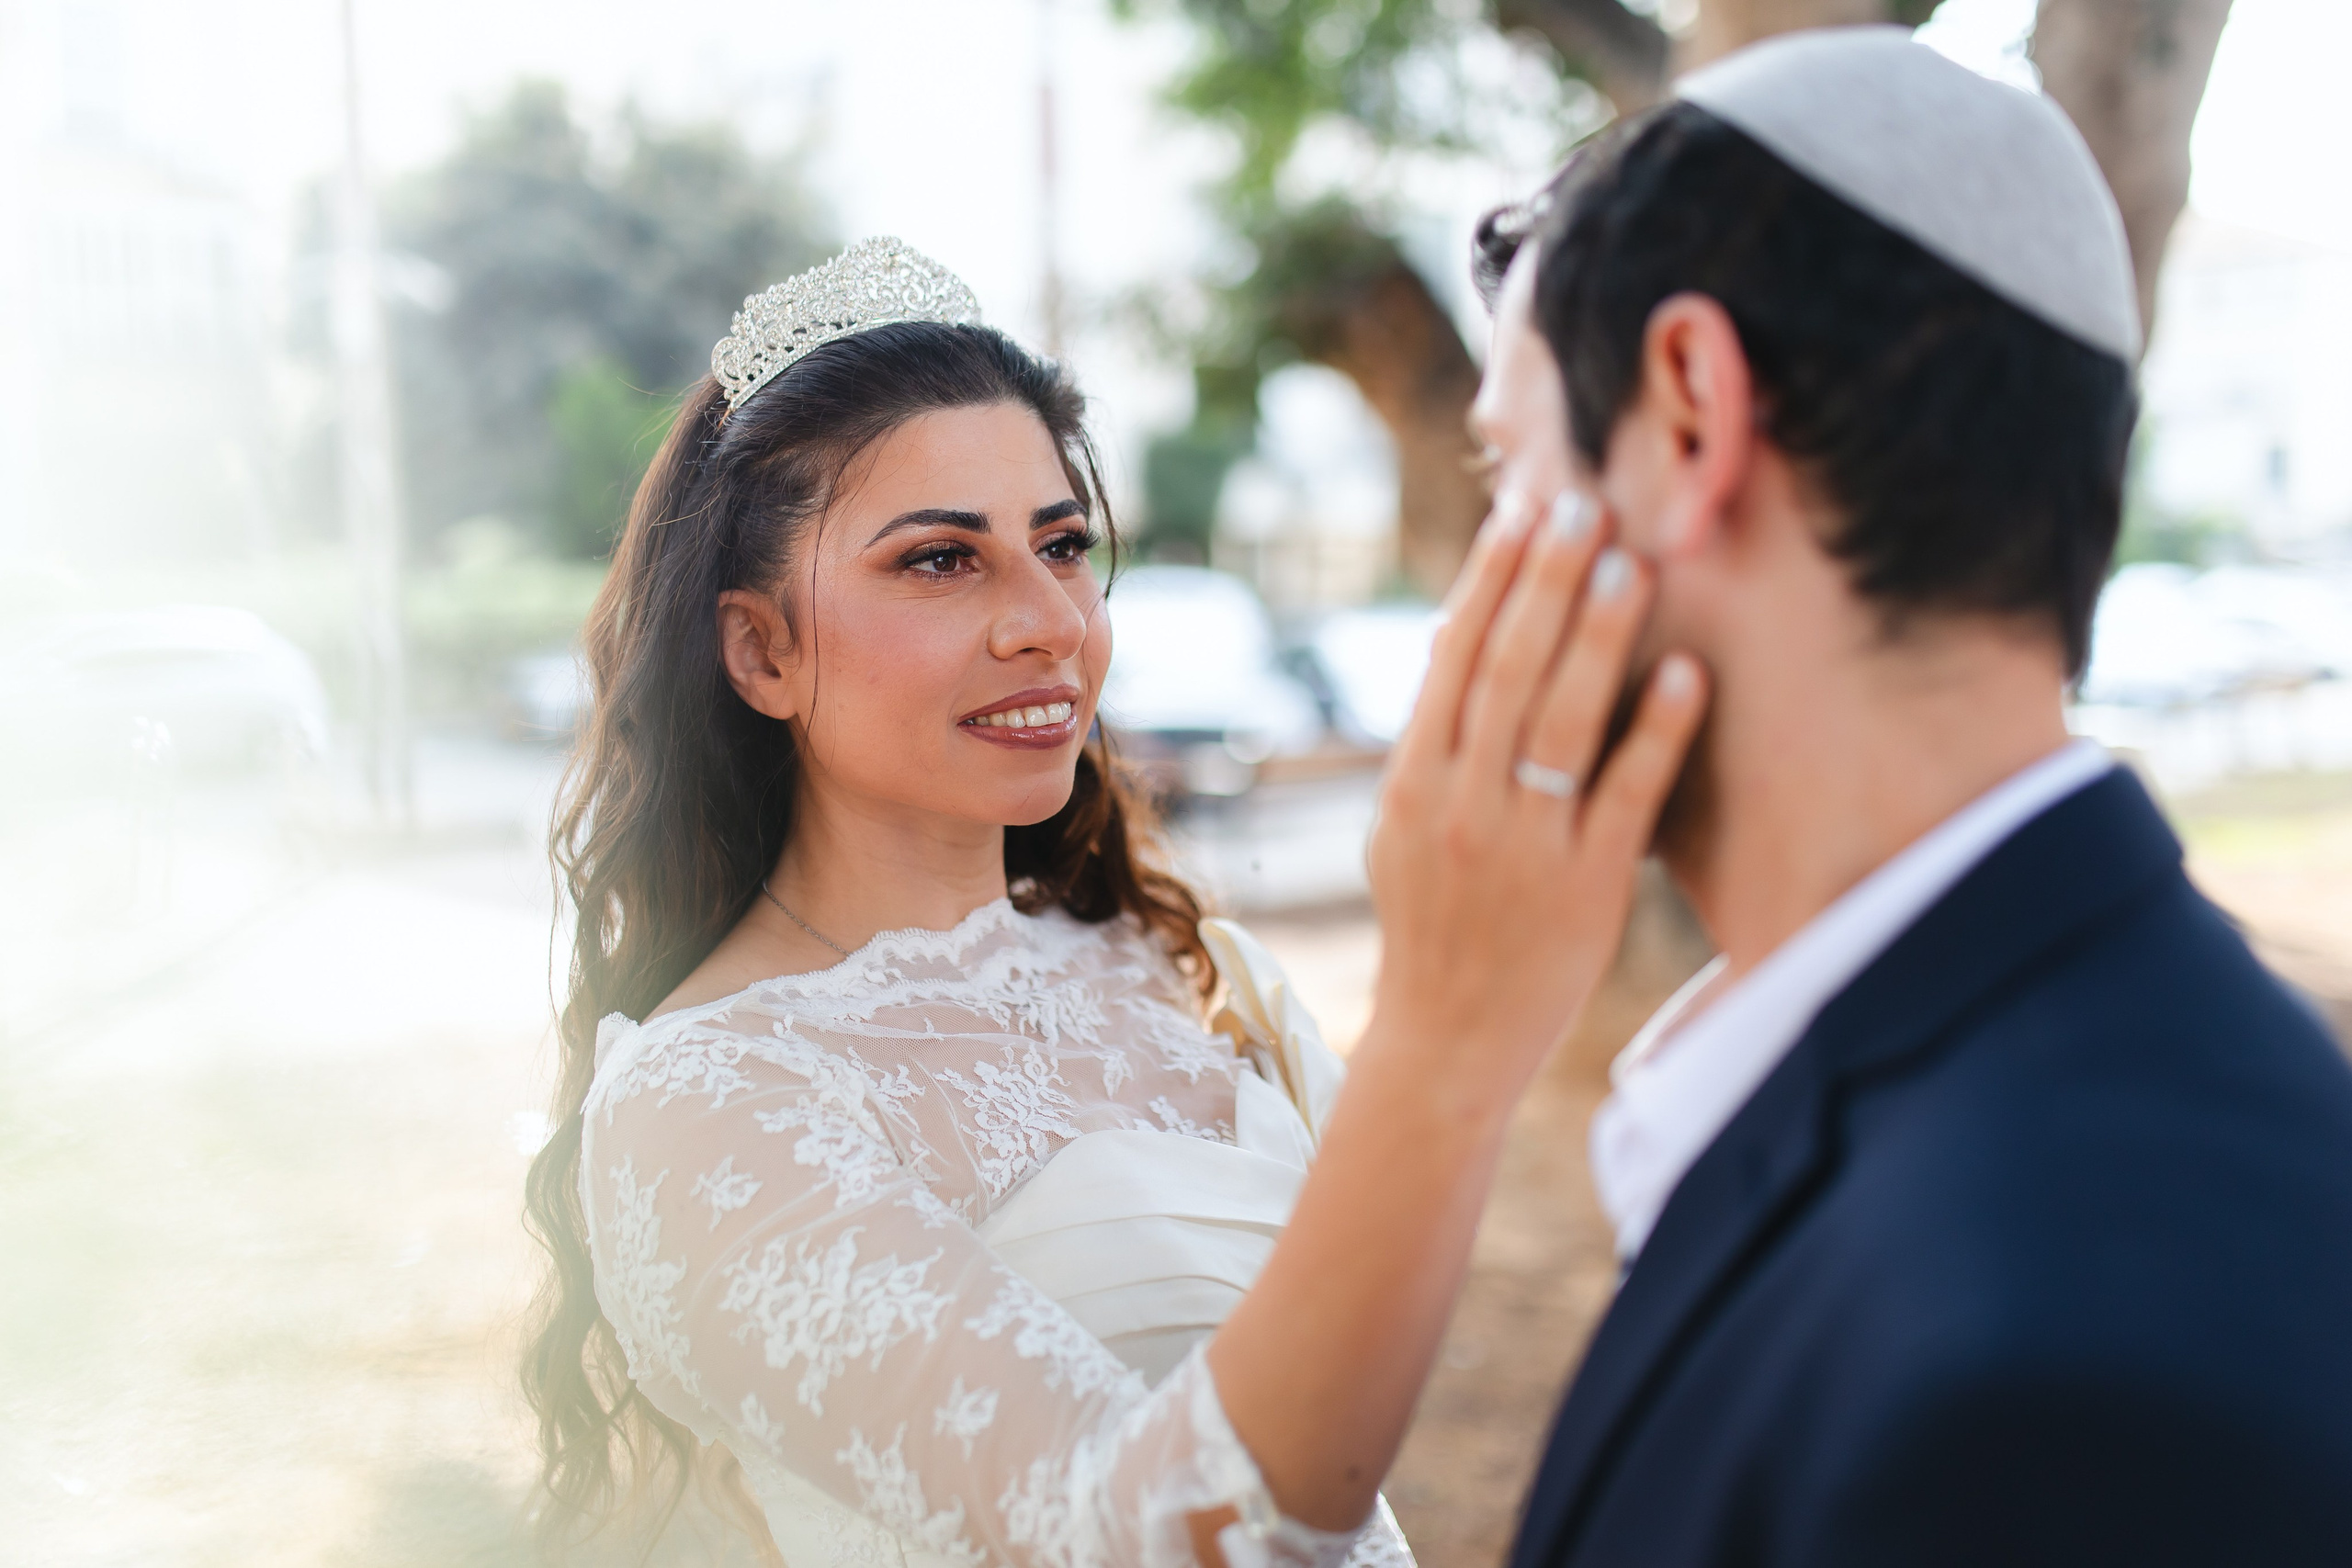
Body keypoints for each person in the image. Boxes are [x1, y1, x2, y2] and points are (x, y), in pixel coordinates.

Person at [521, 236, 1709, 1566]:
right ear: (761, 649)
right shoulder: (711, 1105)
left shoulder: (1167, 966)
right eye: (938, 562)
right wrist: (1448, 1032)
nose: (1050, 622)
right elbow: (1141, 1535)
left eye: (1063, 543)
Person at [1463, 28, 2352, 1568]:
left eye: (1505, 474)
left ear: (1688, 418)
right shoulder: (2127, 1098)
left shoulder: (2041, 1374)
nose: (1479, 581)